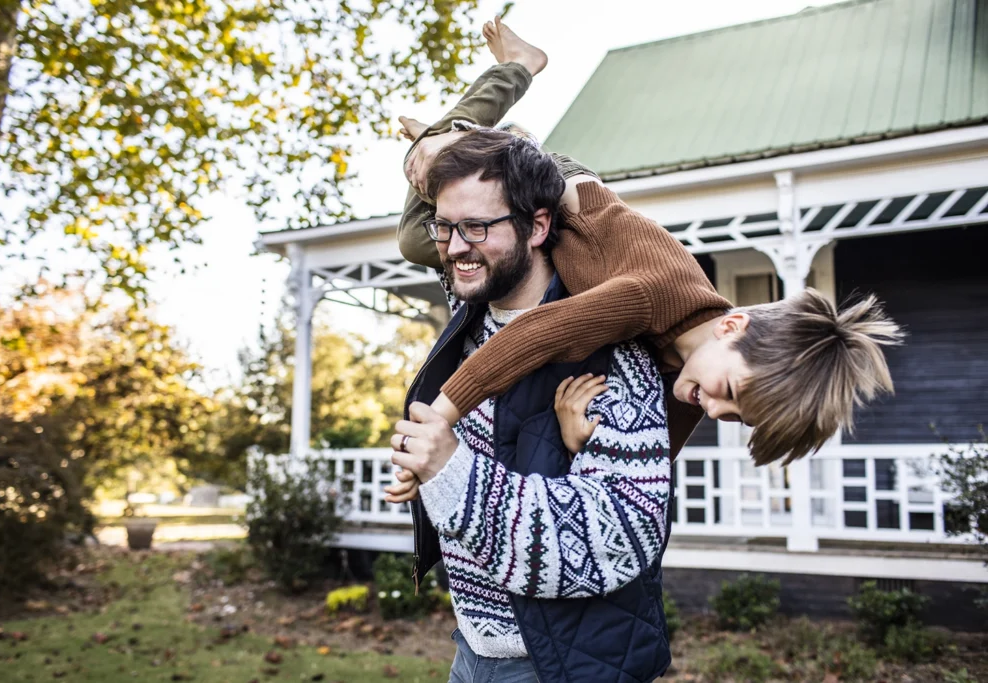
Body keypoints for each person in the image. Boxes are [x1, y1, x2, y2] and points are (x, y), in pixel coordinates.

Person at [385, 19, 902, 509]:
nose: (719, 410)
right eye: (732, 393)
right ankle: (504, 85)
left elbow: (649, 468)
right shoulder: (653, 296)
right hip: (563, 192)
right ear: (733, 326)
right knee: (426, 185)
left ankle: (455, 138)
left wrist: (579, 444)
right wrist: (438, 420)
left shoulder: (691, 381)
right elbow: (537, 333)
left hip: (551, 231)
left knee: (418, 230)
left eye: (736, 417)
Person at [389, 127, 677, 682]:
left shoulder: (613, 350)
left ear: (538, 225)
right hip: (471, 650)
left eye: (475, 226)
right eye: (444, 227)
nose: (453, 248)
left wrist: (450, 471)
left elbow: (619, 539)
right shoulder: (469, 314)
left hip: (566, 664)